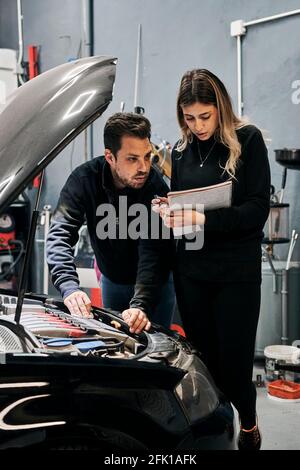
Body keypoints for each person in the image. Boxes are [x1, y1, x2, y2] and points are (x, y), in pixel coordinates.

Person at [149, 69, 270, 450]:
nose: (197, 126)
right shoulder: (181, 152)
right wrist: (171, 209)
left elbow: (256, 210)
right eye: (189, 118)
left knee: (234, 367)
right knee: (201, 366)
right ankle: (217, 431)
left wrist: (204, 217)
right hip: (193, 273)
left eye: (205, 116)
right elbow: (185, 206)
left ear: (220, 109)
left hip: (236, 274)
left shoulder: (247, 141)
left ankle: (249, 423)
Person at [46, 112, 175, 333]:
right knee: (115, 350)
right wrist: (69, 288)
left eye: (147, 156)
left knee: (158, 355)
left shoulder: (155, 187)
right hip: (112, 281)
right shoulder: (84, 181)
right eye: (132, 159)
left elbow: (153, 251)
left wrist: (141, 304)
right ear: (110, 157)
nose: (143, 167)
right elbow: (60, 233)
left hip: (155, 287)